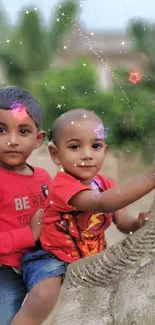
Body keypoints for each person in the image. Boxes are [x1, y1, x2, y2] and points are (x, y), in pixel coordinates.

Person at [12, 108, 155, 325]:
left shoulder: (105, 185)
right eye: (75, 147)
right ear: (56, 155)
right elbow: (102, 203)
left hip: (93, 256)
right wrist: (149, 178)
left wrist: (137, 223)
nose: (87, 154)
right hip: (53, 257)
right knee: (44, 296)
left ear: (104, 151)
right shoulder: (63, 186)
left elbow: (122, 222)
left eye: (95, 146)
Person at [0, 86, 52, 325]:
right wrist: (29, 234)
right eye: (1, 130)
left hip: (40, 262)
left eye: (23, 131)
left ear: (38, 139)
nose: (12, 141)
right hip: (6, 269)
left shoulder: (43, 177)